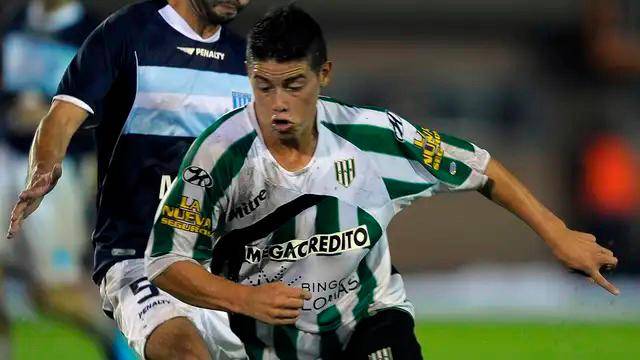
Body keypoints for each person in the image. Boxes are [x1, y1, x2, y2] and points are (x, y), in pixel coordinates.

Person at [145, 5, 621, 359]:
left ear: (323, 75)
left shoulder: (375, 139)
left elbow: (481, 167)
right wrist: (245, 298)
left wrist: (557, 234)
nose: (277, 105)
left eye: (293, 85)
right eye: (263, 86)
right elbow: (164, 260)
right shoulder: (219, 155)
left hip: (369, 320)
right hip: (265, 344)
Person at [6, 0, 258, 358]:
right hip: (137, 254)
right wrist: (44, 167)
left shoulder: (245, 61)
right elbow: (60, 118)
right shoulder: (125, 34)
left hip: (216, 259)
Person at [0, 0, 103, 356]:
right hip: (7, 160)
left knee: (53, 291)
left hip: (56, 178)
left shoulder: (92, 33)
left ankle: (124, 344)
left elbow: (107, 113)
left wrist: (51, 117)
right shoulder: (18, 21)